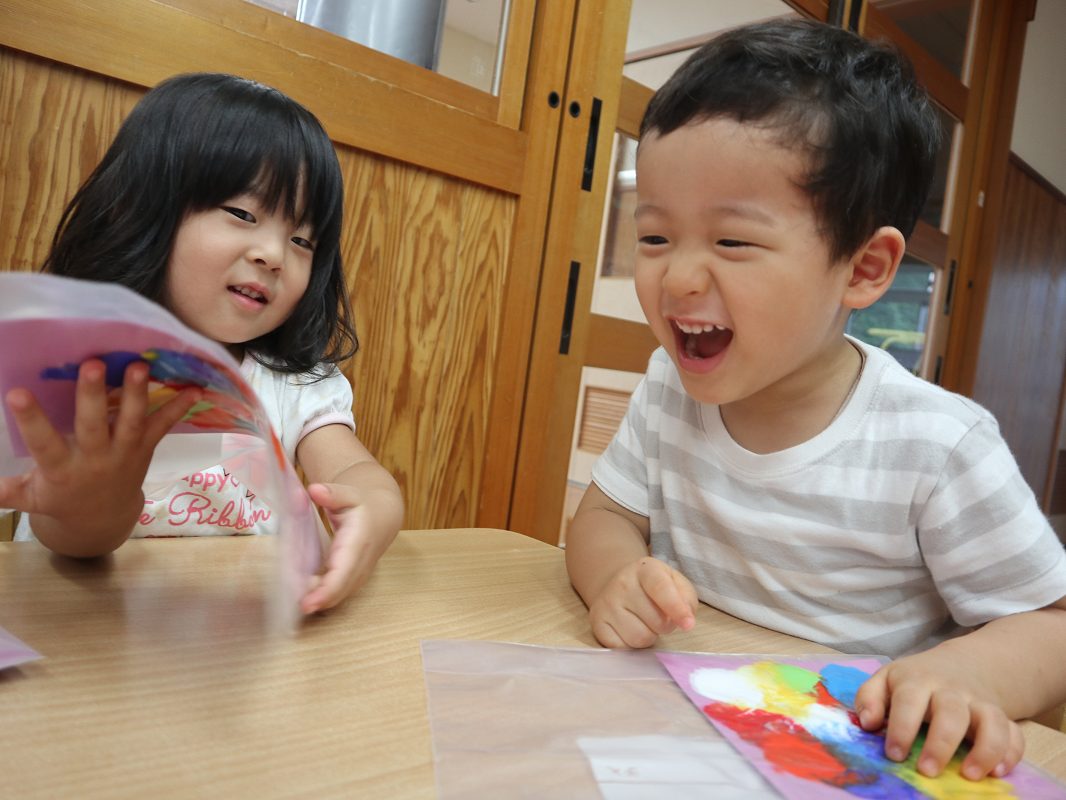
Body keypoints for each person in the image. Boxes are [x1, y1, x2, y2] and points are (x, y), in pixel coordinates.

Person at [565, 18, 1066, 782]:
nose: (679, 279)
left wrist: (966, 675)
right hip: (686, 721)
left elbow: (1050, 625)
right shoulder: (669, 387)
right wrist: (614, 577)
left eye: (733, 242)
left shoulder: (936, 445)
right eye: (657, 238)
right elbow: (604, 517)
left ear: (863, 269)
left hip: (850, 753)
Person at [0, 73, 404, 615]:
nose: (273, 255)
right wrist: (87, 509)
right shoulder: (74, 371)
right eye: (242, 214)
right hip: (86, 633)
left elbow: (354, 471)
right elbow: (73, 543)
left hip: (248, 638)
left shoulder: (292, 382)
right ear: (144, 207)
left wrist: (375, 507)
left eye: (302, 239)